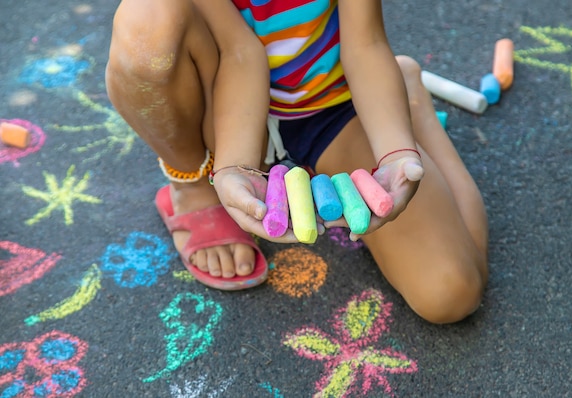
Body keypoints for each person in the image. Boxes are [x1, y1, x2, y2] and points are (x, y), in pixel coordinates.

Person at [105, 0, 488, 324]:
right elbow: (240, 51)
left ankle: (410, 97)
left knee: (450, 293)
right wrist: (234, 165)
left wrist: (396, 150)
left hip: (331, 106)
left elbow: (366, 44)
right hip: (220, 103)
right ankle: (194, 184)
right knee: (148, 24)